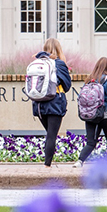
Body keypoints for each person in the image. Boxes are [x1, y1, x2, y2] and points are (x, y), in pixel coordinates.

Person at [32, 38, 72, 168]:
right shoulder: (58, 63)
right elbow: (66, 85)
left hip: (38, 103)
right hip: (54, 103)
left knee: (50, 134)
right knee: (51, 136)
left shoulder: (37, 62)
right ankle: (47, 165)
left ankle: (48, 161)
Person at [73, 57, 107, 168]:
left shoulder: (90, 80)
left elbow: (81, 98)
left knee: (91, 142)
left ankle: (79, 161)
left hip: (91, 115)